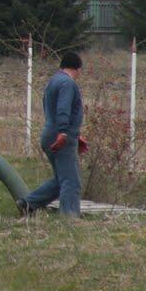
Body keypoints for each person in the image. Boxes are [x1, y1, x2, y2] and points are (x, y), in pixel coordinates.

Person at [19, 52, 85, 218]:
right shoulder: (68, 83)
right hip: (61, 137)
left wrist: (76, 135)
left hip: (49, 133)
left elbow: (53, 111)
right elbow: (63, 109)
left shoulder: (53, 81)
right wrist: (63, 132)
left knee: (61, 179)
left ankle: (28, 204)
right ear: (78, 69)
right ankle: (69, 218)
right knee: (71, 181)